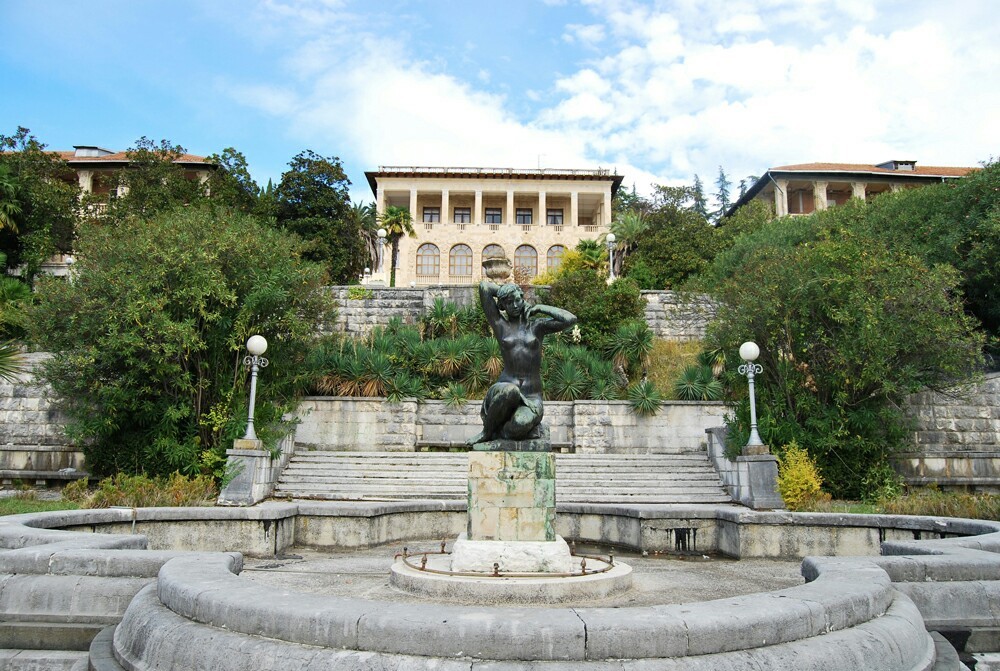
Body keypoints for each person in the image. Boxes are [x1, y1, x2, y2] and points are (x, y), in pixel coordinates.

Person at [467, 280, 577, 445]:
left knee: (520, 424)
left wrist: (539, 308)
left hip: (531, 396)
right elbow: (484, 287)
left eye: (517, 299)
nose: (515, 305)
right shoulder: (500, 325)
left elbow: (570, 319)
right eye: (509, 302)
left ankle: (507, 431)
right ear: (503, 306)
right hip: (504, 390)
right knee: (511, 391)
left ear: (523, 298)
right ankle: (487, 432)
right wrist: (507, 292)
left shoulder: (537, 327)